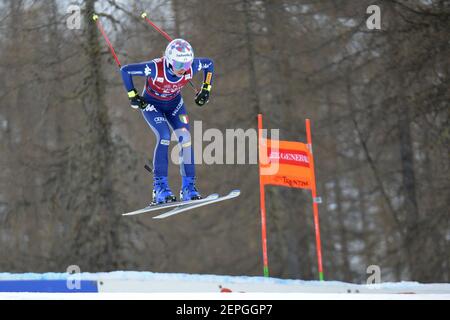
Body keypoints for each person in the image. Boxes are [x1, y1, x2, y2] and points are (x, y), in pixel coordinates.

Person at [120, 39, 214, 204]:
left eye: (186, 65)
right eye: (178, 65)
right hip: (151, 105)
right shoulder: (155, 68)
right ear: (169, 61)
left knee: (185, 139)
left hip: (174, 105)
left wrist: (206, 89)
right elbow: (125, 71)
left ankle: (188, 188)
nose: (183, 70)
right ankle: (160, 189)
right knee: (164, 135)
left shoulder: (190, 68)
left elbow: (209, 65)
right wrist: (133, 96)